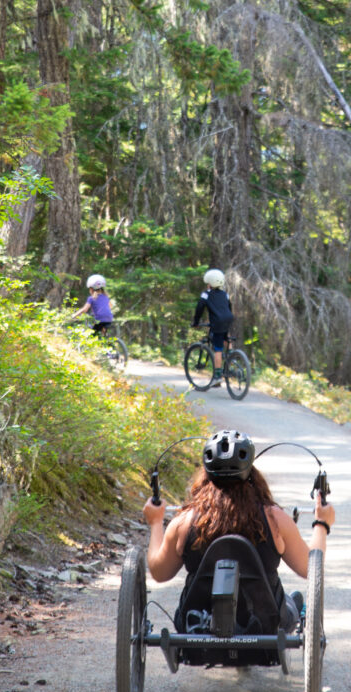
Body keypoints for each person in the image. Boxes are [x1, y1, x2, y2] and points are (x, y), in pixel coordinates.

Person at [142, 429, 335, 631]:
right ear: (250, 471)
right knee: (292, 603)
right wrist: (321, 524)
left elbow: (159, 572)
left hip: (197, 628)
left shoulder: (184, 522)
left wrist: (156, 523)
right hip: (265, 628)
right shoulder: (274, 519)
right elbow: (310, 569)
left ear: (206, 473)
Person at [192, 268, 233, 386]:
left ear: (210, 283)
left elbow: (199, 308)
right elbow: (229, 307)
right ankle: (232, 355)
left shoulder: (206, 294)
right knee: (226, 335)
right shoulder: (225, 294)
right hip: (228, 319)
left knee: (218, 348)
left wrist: (196, 322)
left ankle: (217, 376)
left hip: (217, 322)